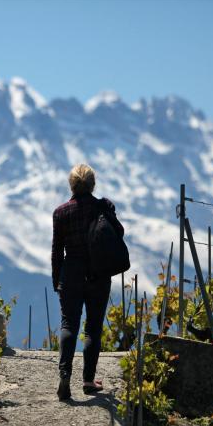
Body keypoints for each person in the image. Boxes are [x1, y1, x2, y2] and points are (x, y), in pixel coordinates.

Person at [51, 163, 124, 401]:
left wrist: (56, 280)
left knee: (68, 325)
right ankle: (88, 380)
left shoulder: (60, 213)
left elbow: (57, 251)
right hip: (98, 274)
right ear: (92, 184)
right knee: (92, 328)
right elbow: (119, 234)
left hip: (70, 273)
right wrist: (108, 212)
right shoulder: (102, 207)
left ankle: (64, 373)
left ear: (71, 184)